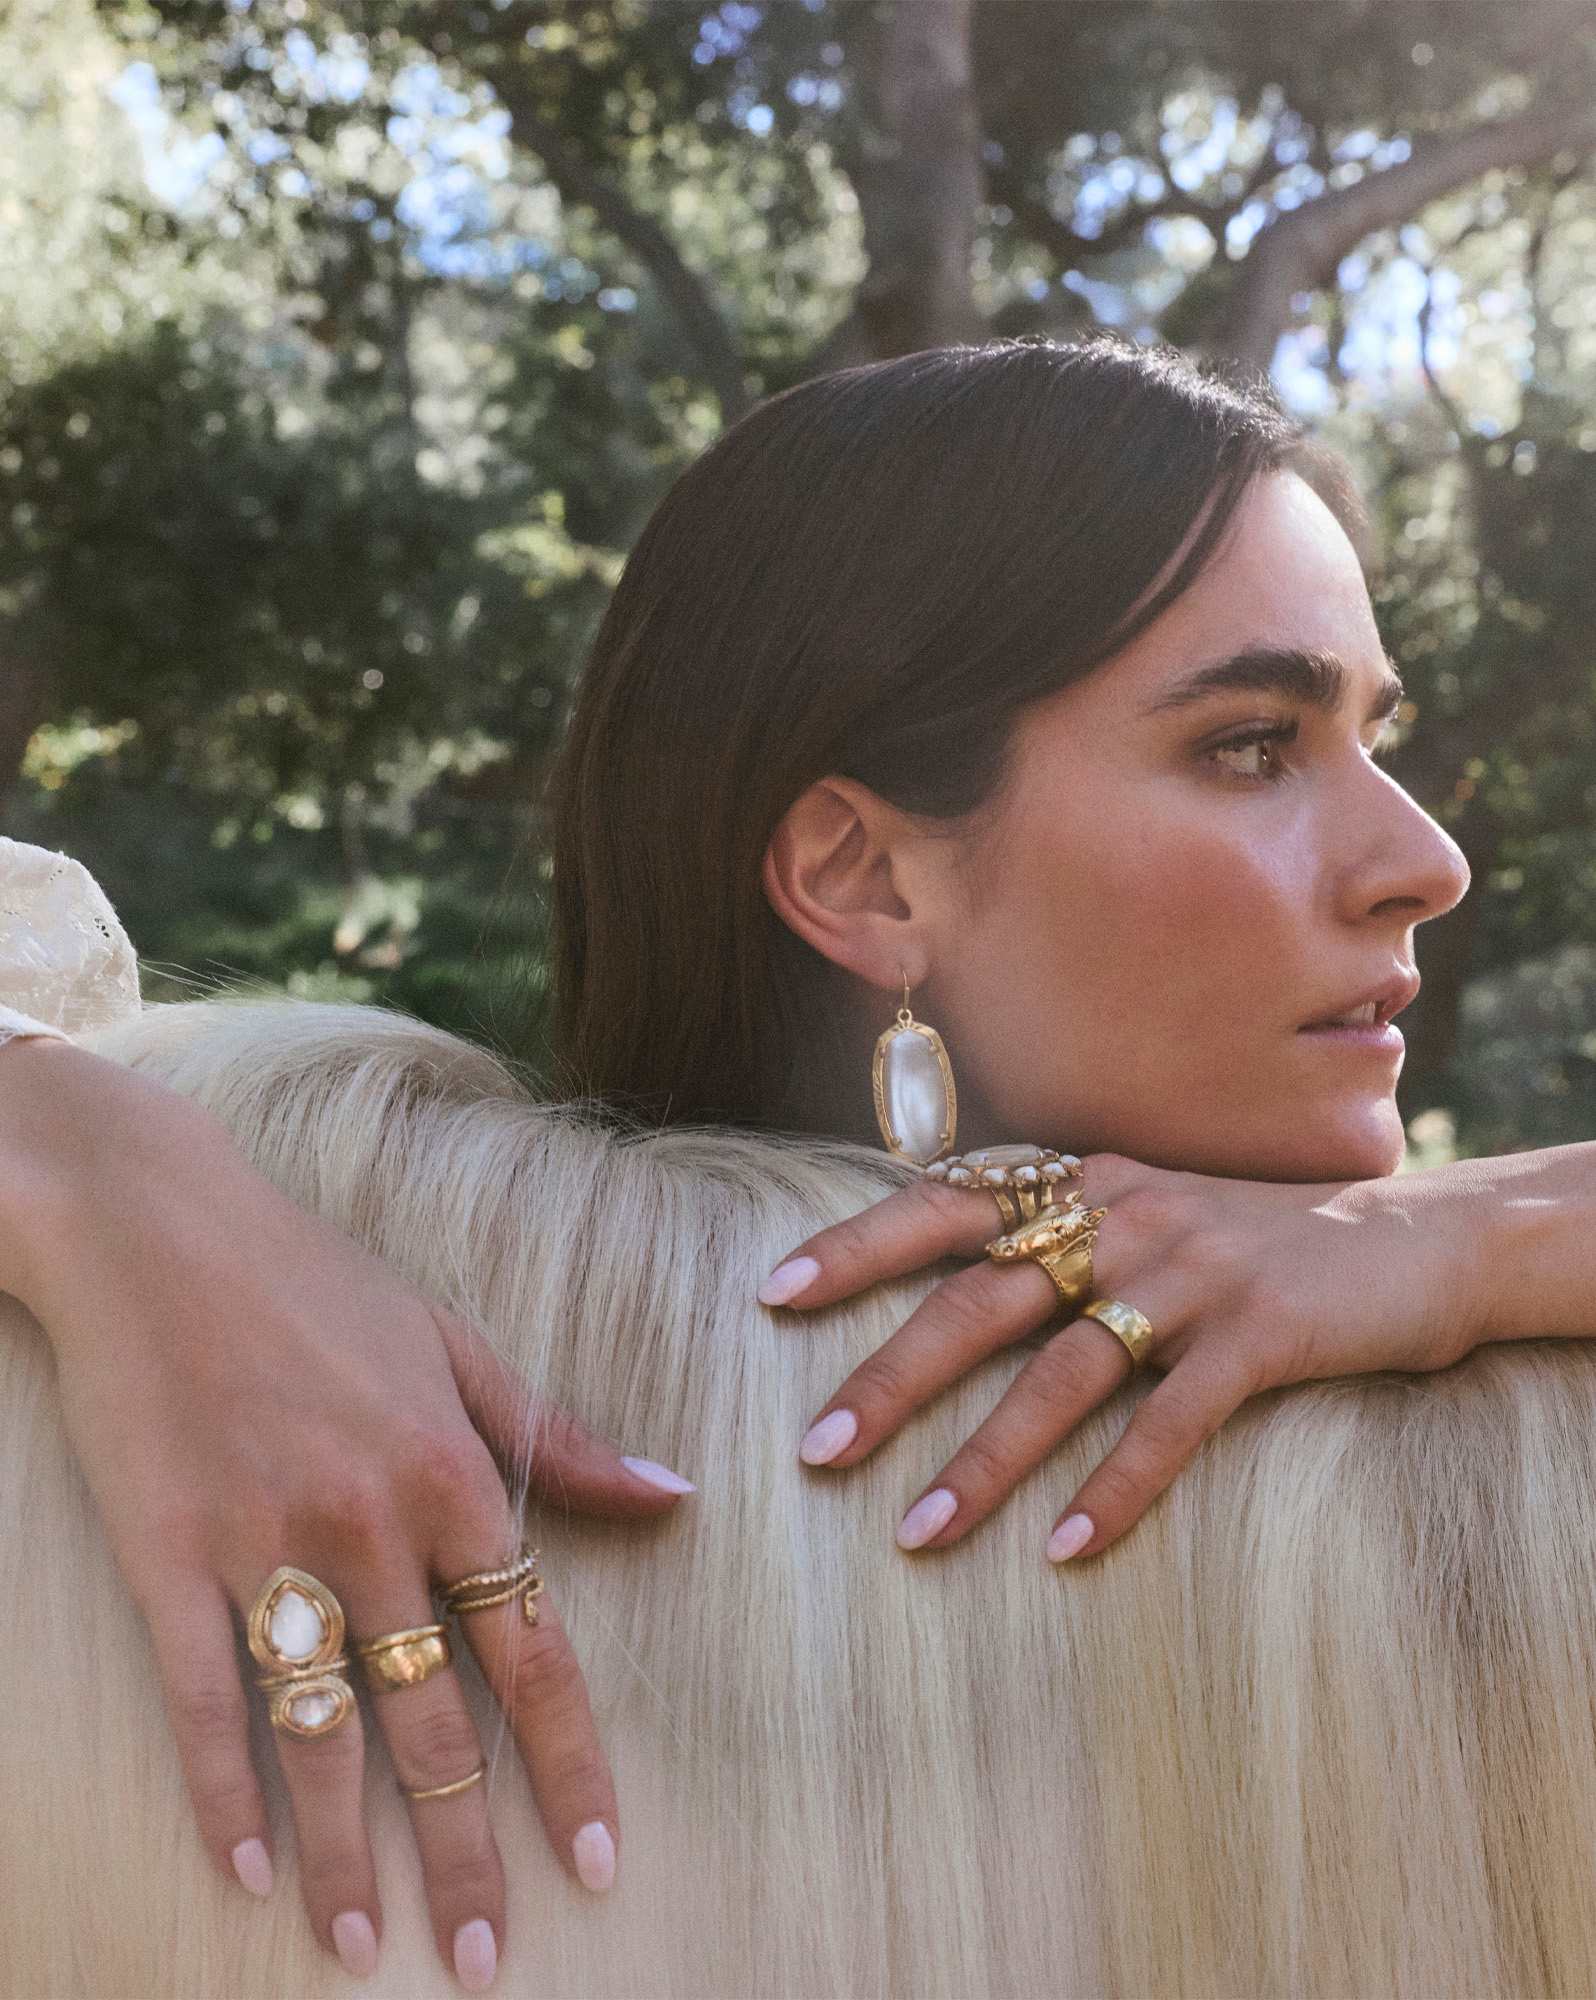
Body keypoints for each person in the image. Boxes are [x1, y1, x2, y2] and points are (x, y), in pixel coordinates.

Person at [5, 334, 1596, 1990]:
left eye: (1376, 733)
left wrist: (1484, 1235)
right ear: (867, 878)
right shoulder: (322, 1295)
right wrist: (93, 1154)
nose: (1428, 859)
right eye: (1254, 743)